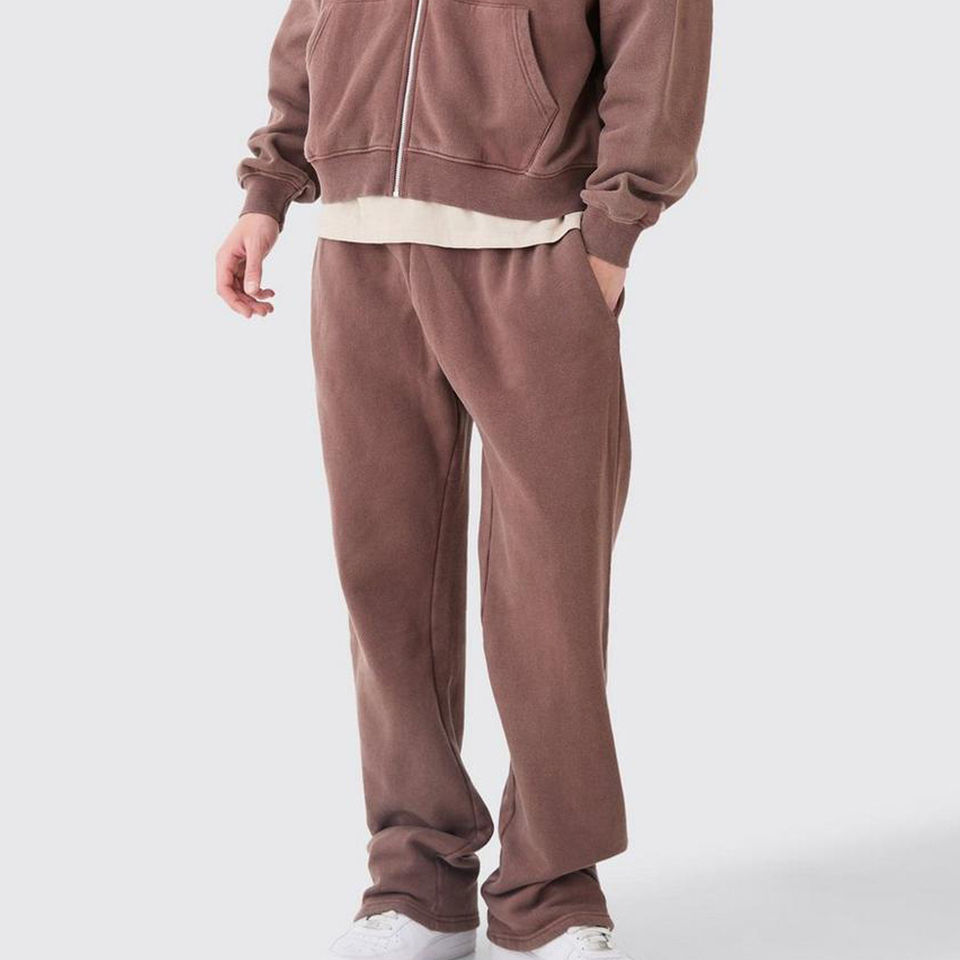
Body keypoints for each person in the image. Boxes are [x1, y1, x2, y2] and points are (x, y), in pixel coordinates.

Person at [216, 1, 711, 958]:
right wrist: (266, 190)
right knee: (384, 579)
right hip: (360, 248)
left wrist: (610, 237)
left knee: (551, 588)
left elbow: (660, 35)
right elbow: (314, 19)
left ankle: (552, 893)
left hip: (536, 248)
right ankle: (416, 881)